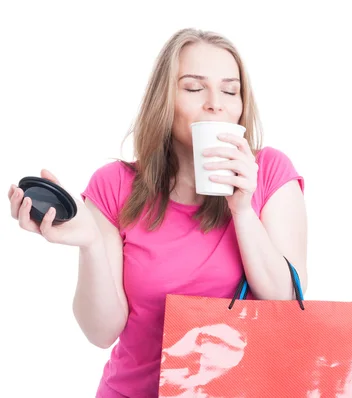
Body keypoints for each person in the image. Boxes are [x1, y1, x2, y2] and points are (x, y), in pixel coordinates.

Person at [6, 28, 307, 397]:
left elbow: (287, 306)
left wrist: (242, 209)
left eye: (230, 90)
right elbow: (100, 332)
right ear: (164, 99)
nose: (216, 103)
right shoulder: (113, 184)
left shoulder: (271, 172)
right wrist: (91, 245)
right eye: (194, 88)